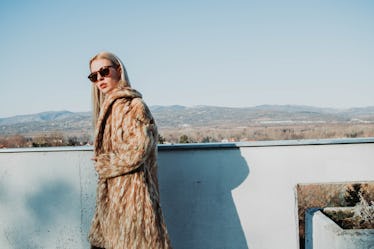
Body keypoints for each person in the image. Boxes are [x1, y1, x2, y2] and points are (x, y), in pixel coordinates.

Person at [87, 51, 172, 249]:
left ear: (118, 70)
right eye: (94, 76)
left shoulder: (134, 106)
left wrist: (105, 164)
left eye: (104, 71)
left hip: (133, 203)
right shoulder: (109, 108)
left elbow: (139, 149)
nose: (100, 78)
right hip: (112, 203)